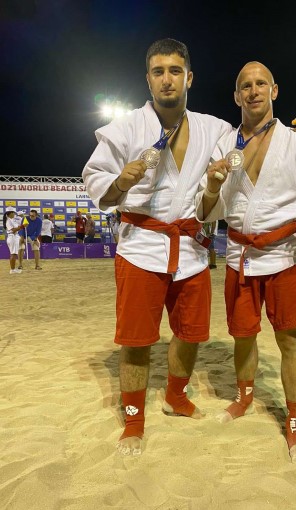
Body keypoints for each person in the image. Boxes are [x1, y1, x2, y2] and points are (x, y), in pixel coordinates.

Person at [196, 61, 296, 463]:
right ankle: (244, 397)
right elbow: (206, 212)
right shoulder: (223, 145)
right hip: (240, 257)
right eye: (245, 86)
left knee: (289, 341)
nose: (253, 91)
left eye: (260, 83)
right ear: (236, 96)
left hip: (285, 255)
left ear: (274, 90)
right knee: (242, 335)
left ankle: (295, 423)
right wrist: (212, 185)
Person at [83, 38, 232, 457]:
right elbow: (95, 179)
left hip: (190, 249)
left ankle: (175, 397)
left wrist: (215, 186)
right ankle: (134, 421)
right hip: (141, 247)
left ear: (190, 78)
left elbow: (228, 178)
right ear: (148, 80)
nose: (167, 79)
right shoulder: (126, 128)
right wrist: (120, 182)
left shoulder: (215, 130)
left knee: (191, 334)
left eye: (175, 71)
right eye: (158, 71)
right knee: (136, 340)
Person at [3, 207, 23, 274]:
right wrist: (22, 226)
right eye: (13, 213)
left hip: (14, 237)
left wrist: (20, 227)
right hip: (12, 237)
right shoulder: (8, 221)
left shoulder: (11, 220)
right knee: (13, 254)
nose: (14, 214)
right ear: (10, 213)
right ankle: (12, 269)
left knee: (13, 253)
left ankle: (13, 268)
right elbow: (13, 230)